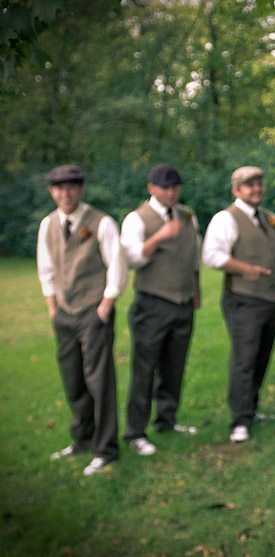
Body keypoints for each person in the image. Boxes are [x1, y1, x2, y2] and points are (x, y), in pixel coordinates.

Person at [36, 164, 127, 476]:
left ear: (81, 188)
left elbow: (117, 264)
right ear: (52, 191)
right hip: (63, 313)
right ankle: (83, 439)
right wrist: (52, 307)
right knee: (73, 378)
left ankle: (106, 449)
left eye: (71, 186)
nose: (65, 193)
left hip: (94, 310)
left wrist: (106, 304)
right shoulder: (48, 224)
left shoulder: (102, 223)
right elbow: (46, 269)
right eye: (59, 188)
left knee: (99, 381)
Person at [202, 166, 275, 443]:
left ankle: (250, 409)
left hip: (270, 298)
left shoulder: (271, 219)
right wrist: (245, 268)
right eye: (249, 185)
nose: (256, 189)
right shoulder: (225, 219)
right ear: (236, 190)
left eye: (259, 184)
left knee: (262, 356)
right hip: (242, 299)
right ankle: (239, 420)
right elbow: (212, 255)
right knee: (245, 358)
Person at [120, 163, 201, 456]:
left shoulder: (187, 215)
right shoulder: (136, 219)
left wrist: (196, 291)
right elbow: (130, 259)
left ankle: (167, 420)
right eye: (165, 187)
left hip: (182, 303)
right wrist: (159, 237)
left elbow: (194, 257)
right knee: (145, 368)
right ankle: (135, 432)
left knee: (174, 365)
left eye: (175, 187)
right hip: (152, 302)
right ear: (151, 188)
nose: (171, 192)